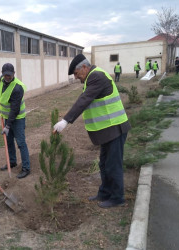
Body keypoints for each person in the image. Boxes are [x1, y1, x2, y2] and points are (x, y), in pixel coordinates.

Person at [53, 54, 131, 208]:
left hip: (115, 127)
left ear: (84, 67)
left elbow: (84, 99)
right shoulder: (92, 77)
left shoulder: (96, 77)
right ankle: (104, 192)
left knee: (112, 164)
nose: (75, 78)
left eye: (76, 73)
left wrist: (65, 121)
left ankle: (117, 197)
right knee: (104, 163)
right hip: (108, 130)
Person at [0, 63, 31, 179]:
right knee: (9, 141)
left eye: (9, 75)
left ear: (14, 74)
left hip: (18, 119)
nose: (7, 77)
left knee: (21, 142)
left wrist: (7, 126)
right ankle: (12, 162)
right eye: (5, 75)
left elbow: (15, 110)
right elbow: (0, 87)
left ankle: (26, 168)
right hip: (7, 117)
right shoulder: (2, 79)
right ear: (2, 74)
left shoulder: (17, 88)